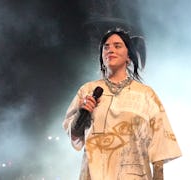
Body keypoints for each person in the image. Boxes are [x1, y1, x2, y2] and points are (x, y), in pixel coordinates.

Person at [63, 27, 181, 180]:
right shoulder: (87, 90)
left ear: (129, 57)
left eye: (117, 46)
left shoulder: (146, 94)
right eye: (106, 47)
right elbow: (75, 134)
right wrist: (82, 112)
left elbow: (160, 145)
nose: (110, 50)